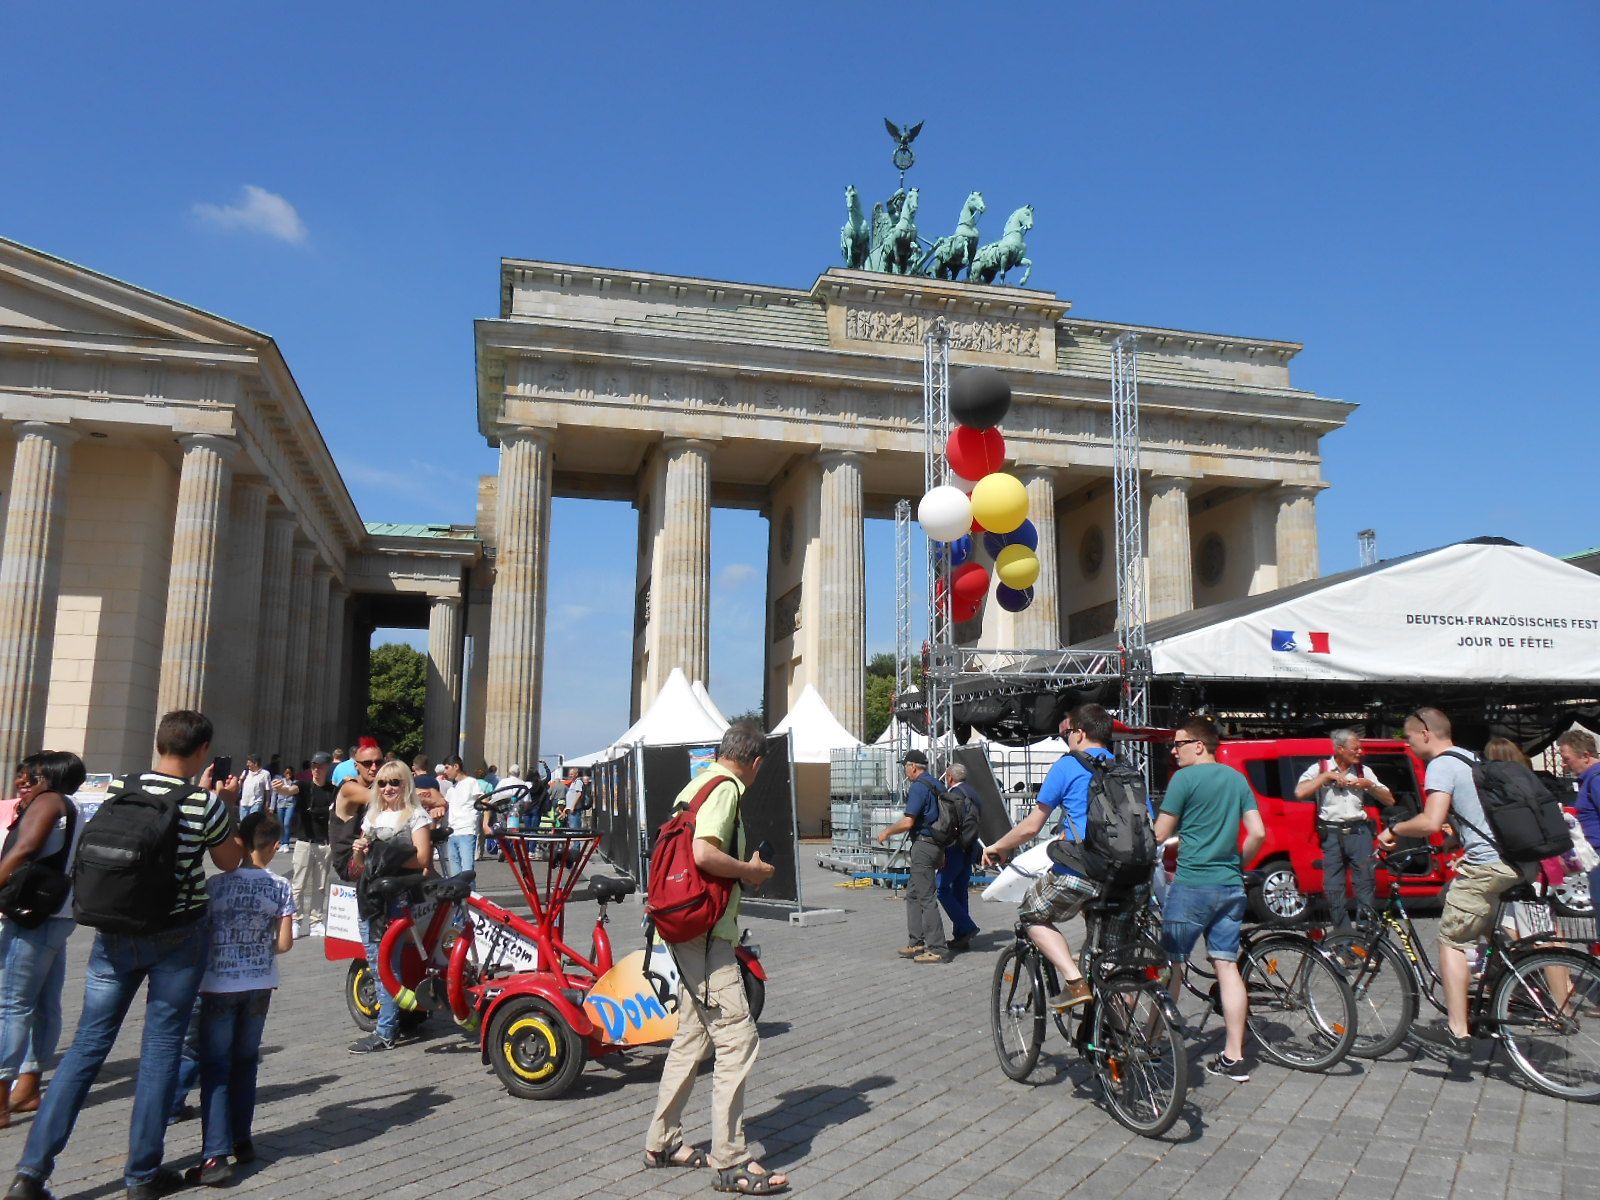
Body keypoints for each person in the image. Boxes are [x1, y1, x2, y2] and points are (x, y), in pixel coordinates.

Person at [6, 710, 243, 1200]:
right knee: (160, 1052)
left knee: (85, 1050)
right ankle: (141, 1175)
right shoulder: (203, 803)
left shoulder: (118, 791)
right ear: (202, 752)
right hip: (177, 936)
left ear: (158, 745)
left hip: (112, 936)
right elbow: (228, 862)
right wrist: (229, 806)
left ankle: (31, 1172)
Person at [643, 723, 786, 1195]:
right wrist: (751, 871)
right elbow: (704, 854)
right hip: (706, 935)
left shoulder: (698, 782)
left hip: (685, 930)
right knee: (738, 1039)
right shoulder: (727, 788)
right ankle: (731, 1160)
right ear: (756, 762)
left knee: (691, 1036)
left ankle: (663, 1141)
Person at [1379, 707, 1530, 1062]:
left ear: (1426, 734)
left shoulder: (1441, 764)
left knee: (1451, 940)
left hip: (1488, 864)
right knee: (1482, 929)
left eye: (1410, 737)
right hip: (1514, 859)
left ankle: (1457, 1030)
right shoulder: (1471, 758)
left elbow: (1431, 820)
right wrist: (1455, 839)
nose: (1410, 743)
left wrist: (1394, 829)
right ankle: (1497, 992)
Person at [981, 704, 1118, 1008]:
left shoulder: (1068, 766)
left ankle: (1074, 981)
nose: (1066, 740)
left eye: (1067, 734)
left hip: (1085, 867)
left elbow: (1032, 826)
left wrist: (997, 847)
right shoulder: (1124, 767)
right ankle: (1126, 1038)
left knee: (1032, 913)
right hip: (1126, 872)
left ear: (1080, 733)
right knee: (1108, 952)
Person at [1153, 717, 1266, 1084]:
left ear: (1198, 745)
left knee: (1172, 965)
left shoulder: (1183, 780)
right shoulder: (1236, 779)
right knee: (1226, 966)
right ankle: (1234, 1056)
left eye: (1178, 744)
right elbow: (1259, 833)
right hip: (1230, 885)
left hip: (1192, 884)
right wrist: (1238, 863)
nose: (1173, 751)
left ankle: (1156, 1042)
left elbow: (1160, 833)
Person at [184, 812, 295, 1186]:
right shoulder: (280, 886)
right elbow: (284, 943)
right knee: (246, 1062)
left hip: (217, 984)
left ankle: (215, 1154)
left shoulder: (215, 885)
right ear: (274, 846)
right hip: (259, 984)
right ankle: (242, 1139)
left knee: (215, 1067)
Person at [0, 752, 87, 1125]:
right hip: (59, 913)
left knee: (11, 1005)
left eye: (30, 775)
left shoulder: (49, 801)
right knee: (45, 1003)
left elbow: (26, 847)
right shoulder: (77, 807)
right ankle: (29, 1086)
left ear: (49, 777)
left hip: (30, 917)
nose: (23, 781)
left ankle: (1, 1093)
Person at [346, 762, 432, 1054]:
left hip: (396, 897)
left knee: (386, 965)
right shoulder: (373, 816)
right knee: (376, 961)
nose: (388, 788)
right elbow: (360, 867)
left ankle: (385, 1032)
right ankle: (392, 1022)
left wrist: (384, 855)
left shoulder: (416, 816)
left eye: (394, 782)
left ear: (406, 783)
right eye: (382, 783)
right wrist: (360, 853)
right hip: (370, 897)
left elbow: (422, 860)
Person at [1293, 728, 1394, 930]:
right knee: (1333, 889)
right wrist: (1324, 778)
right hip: (1331, 834)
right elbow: (1299, 792)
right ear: (1340, 749)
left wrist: (1368, 786)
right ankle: (1344, 940)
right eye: (1355, 748)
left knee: (1365, 885)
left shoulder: (1364, 772)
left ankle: (1367, 938)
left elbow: (1390, 799)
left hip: (1359, 832)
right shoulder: (1320, 767)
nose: (1360, 752)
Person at [877, 749, 948, 964]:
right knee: (914, 894)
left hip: (924, 847)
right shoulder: (937, 784)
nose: (904, 771)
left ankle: (938, 948)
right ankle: (916, 941)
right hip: (937, 845)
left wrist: (887, 831)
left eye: (905, 767)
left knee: (926, 897)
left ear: (913, 767)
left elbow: (908, 822)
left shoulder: (918, 787)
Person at [935, 762, 980, 952]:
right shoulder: (974, 793)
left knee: (941, 888)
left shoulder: (953, 795)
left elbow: (947, 825)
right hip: (971, 847)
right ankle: (962, 937)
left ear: (949, 777)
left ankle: (967, 926)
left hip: (955, 848)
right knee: (960, 889)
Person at [290, 752, 336, 937]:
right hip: (304, 842)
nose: (316, 769)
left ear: (327, 768)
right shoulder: (303, 785)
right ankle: (296, 920)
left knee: (320, 886)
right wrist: (281, 789)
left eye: (320, 766)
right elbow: (290, 790)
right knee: (298, 885)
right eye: (313, 766)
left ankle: (316, 920)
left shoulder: (333, 790)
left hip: (324, 843)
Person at [1559, 729, 1600, 922]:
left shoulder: (1597, 780)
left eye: (1567, 759)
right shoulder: (1590, 780)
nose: (1564, 764)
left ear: (1585, 756)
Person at [441, 757, 480, 876]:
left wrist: (485, 823)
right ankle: (458, 895)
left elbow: (483, 801)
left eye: (447, 767)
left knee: (467, 872)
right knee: (454, 874)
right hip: (452, 833)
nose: (445, 771)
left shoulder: (471, 782)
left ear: (456, 766)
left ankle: (470, 894)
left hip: (467, 830)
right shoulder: (452, 789)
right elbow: (444, 805)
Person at [237, 755, 271, 821]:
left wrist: (267, 803)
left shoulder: (265, 774)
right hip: (244, 803)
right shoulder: (245, 772)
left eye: (249, 763)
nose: (247, 764)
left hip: (256, 803)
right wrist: (240, 780)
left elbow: (267, 790)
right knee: (243, 823)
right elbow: (239, 786)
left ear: (255, 763)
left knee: (253, 823)